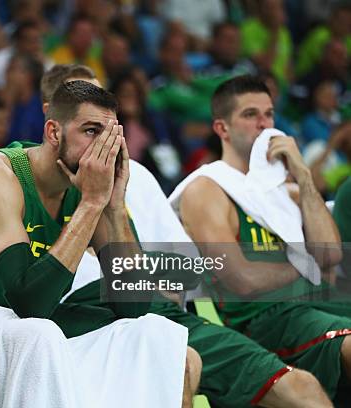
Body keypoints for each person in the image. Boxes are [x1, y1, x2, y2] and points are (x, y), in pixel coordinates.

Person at [46, 64, 335, 407]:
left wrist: (303, 177)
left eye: (107, 121)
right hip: (84, 315)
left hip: (160, 312)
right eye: (89, 124)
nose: (104, 135)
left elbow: (184, 270)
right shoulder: (26, 178)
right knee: (179, 368)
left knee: (301, 389)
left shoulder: (137, 176)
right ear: (52, 121)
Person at [0, 80, 197, 407]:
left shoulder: (91, 187)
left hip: (35, 315)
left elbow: (133, 304)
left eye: (110, 136)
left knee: (153, 331)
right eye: (90, 131)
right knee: (40, 335)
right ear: (54, 132)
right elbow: (29, 303)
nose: (103, 147)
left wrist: (113, 206)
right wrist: (90, 205)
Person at [171, 74, 349, 404]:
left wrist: (305, 175)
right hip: (261, 318)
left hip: (313, 305)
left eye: (269, 114)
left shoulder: (287, 191)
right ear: (222, 128)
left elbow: (331, 255)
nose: (264, 124)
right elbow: (242, 281)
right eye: (250, 115)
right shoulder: (207, 189)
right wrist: (305, 267)